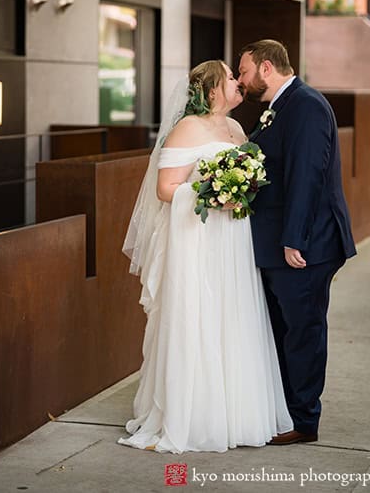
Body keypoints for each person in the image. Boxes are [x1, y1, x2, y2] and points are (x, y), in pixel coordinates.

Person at [118, 60, 293, 453]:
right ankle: (194, 416)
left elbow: (252, 176)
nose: (238, 82)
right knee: (198, 314)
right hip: (197, 237)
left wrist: (242, 189)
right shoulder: (186, 129)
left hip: (233, 237)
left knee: (234, 315)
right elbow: (167, 188)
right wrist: (212, 193)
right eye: (231, 77)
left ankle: (236, 415)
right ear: (212, 89)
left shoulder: (235, 129)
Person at [238, 40, 356, 446]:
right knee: (285, 330)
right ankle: (287, 411)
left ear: (266, 68)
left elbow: (308, 176)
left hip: (305, 246)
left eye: (244, 71)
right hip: (279, 245)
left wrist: (294, 241)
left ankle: (304, 421)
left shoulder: (305, 105)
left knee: (302, 332)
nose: (241, 80)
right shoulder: (279, 107)